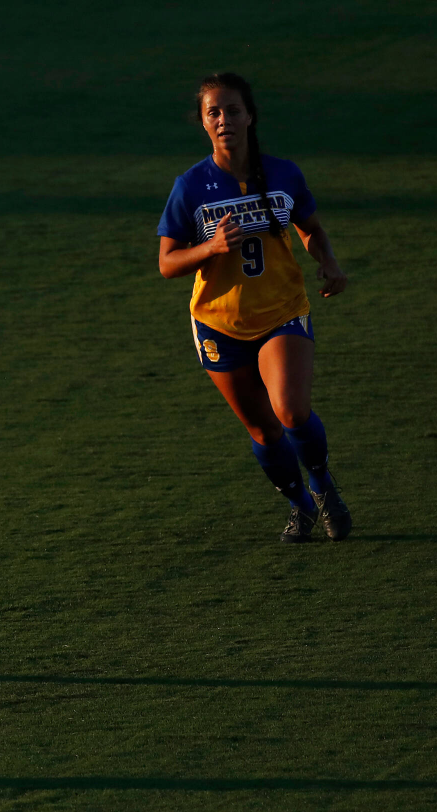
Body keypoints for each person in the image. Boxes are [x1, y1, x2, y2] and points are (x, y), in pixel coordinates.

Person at [157, 73, 351, 543]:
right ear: (204, 124)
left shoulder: (283, 173)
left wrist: (327, 260)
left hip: (281, 310)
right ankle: (299, 507)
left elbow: (311, 228)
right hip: (218, 324)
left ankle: (322, 484)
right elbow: (167, 262)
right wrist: (209, 248)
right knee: (264, 432)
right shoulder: (190, 187)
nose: (224, 120)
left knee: (291, 411)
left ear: (251, 116)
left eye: (233, 110)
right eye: (213, 113)